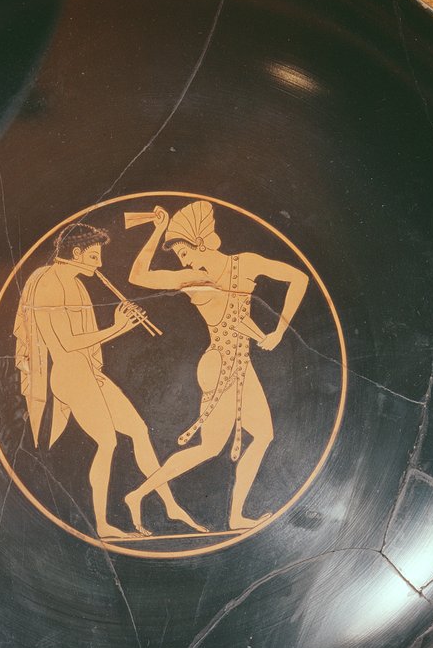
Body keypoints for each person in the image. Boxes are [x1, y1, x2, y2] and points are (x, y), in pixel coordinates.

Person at [123, 201, 307, 532]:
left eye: (185, 252)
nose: (184, 261)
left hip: (239, 362)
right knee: (219, 445)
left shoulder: (245, 263)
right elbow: (137, 276)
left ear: (203, 241)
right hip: (222, 364)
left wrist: (279, 330)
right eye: (179, 257)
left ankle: (147, 497)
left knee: (250, 438)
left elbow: (299, 278)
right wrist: (158, 230)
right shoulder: (193, 279)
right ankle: (141, 495)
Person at [14, 222, 203, 540]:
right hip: (70, 377)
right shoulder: (49, 284)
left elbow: (84, 340)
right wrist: (119, 328)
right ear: (76, 253)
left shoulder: (74, 283)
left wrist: (119, 327)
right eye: (94, 256)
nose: (100, 263)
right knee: (107, 441)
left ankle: (170, 505)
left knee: (139, 431)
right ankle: (102, 524)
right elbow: (65, 344)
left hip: (88, 373)